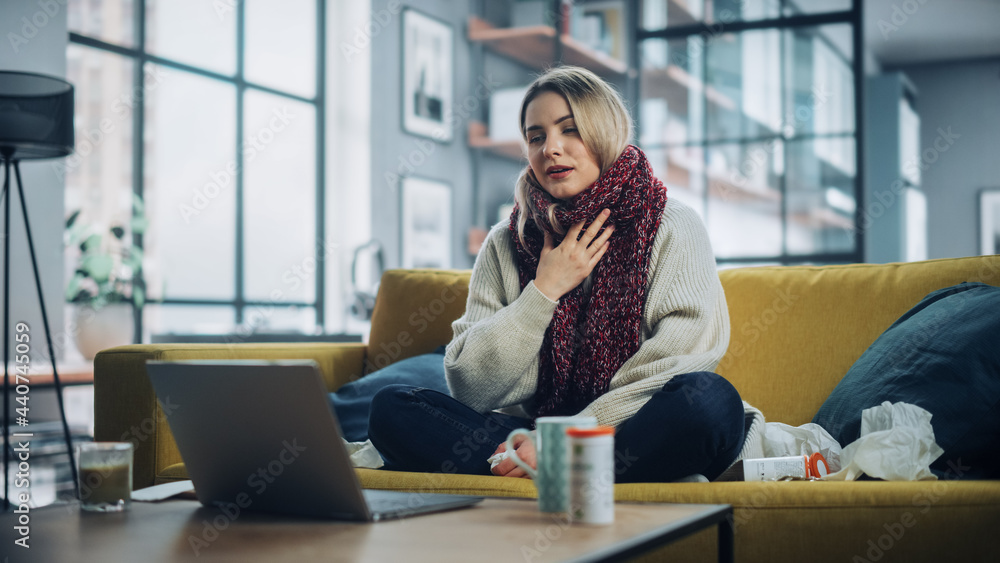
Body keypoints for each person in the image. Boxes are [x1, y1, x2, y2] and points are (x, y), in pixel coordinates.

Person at [367, 66, 765, 483]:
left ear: (605, 132)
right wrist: (544, 289)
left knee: (709, 402)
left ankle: (548, 467)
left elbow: (682, 359)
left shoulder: (671, 224)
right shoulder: (505, 242)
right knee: (393, 409)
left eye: (569, 130)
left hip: (631, 429)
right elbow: (471, 386)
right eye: (535, 136)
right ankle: (572, 475)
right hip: (534, 436)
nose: (550, 149)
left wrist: (568, 435)